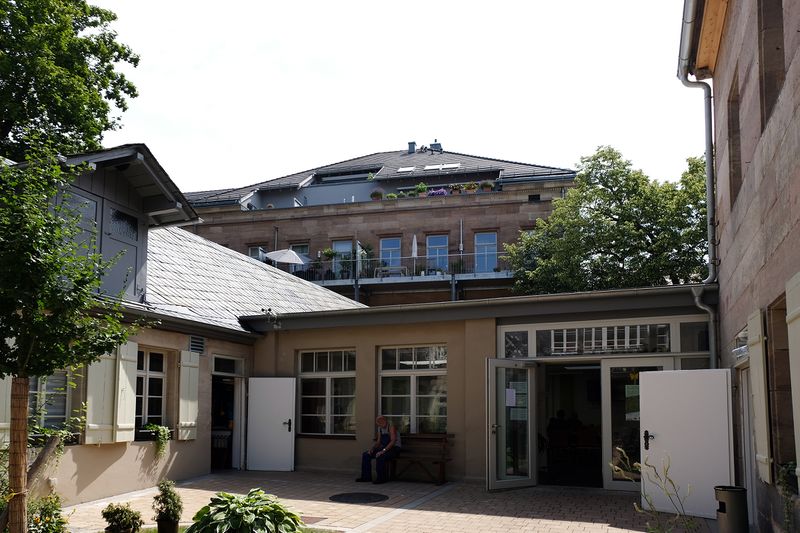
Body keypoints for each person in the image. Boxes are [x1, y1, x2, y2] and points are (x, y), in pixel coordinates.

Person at [357, 415, 401, 484]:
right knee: (366, 455)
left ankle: (381, 478)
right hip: (384, 448)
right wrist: (372, 449)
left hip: (394, 449)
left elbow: (393, 441)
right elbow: (378, 442)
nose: (379, 424)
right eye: (378, 423)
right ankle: (366, 477)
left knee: (380, 456)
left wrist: (383, 451)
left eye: (381, 422)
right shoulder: (380, 428)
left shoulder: (391, 427)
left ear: (385, 421)